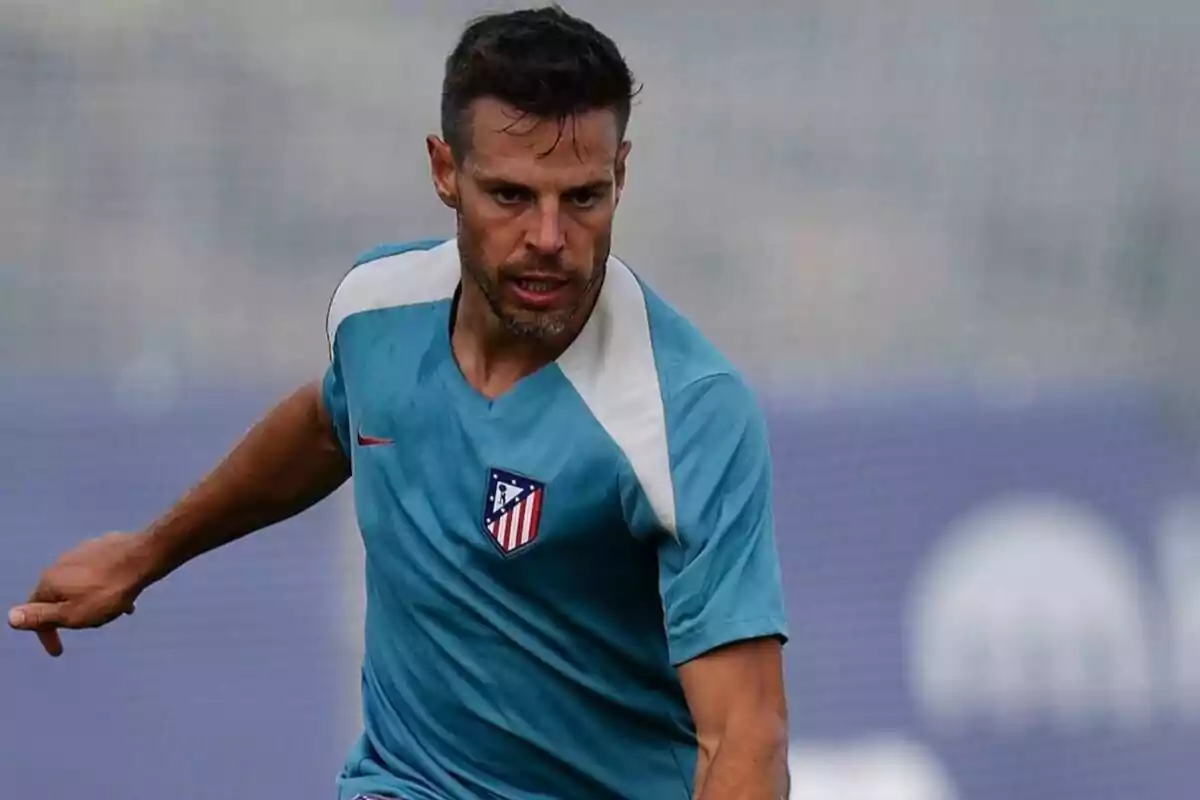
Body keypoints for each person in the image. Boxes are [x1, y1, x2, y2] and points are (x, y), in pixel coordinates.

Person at [8, 6, 791, 799]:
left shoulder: (687, 412)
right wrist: (144, 555)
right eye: (511, 196)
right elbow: (326, 424)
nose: (549, 236)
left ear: (621, 175)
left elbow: (745, 737)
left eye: (583, 199)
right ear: (445, 171)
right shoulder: (374, 312)